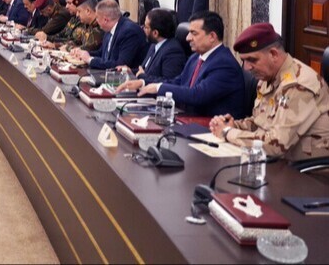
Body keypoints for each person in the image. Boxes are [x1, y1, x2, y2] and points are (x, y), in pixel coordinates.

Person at [209, 23, 329, 160]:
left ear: (274, 54)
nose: (246, 67)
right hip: (281, 162)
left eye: (252, 60)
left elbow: (276, 145)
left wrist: (228, 132)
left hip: (308, 168)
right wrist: (235, 125)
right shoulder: (267, 79)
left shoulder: (299, 85)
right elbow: (261, 122)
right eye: (243, 61)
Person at [117, 11, 246, 118]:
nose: (187, 38)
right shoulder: (196, 57)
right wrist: (144, 83)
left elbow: (197, 95)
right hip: (188, 120)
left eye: (194, 33)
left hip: (209, 129)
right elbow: (178, 82)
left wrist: (158, 88)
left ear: (212, 36)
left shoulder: (224, 64)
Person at [73, 0, 146, 70]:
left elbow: (120, 65)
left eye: (97, 18)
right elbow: (102, 53)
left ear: (105, 20)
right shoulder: (109, 29)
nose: (96, 21)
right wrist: (84, 54)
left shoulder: (129, 32)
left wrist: (90, 60)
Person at [133, 8, 186, 80]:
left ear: (155, 33)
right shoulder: (154, 44)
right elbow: (145, 70)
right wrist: (130, 71)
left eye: (146, 27)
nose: (143, 29)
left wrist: (142, 76)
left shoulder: (173, 52)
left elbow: (169, 81)